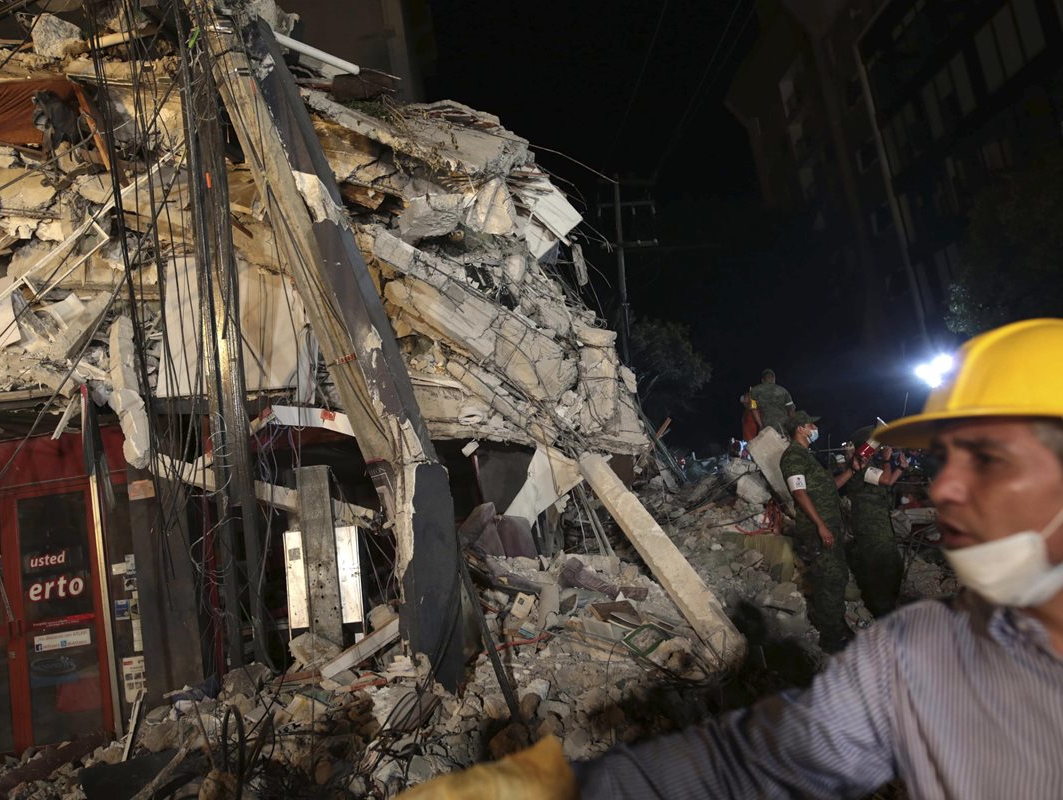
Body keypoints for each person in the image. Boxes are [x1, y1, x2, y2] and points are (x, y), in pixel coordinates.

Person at [398, 318, 1063, 800]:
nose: (945, 488)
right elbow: (745, 764)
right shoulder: (922, 657)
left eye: (988, 459)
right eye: (945, 459)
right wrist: (572, 790)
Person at [780, 410, 858, 651]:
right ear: (800, 429)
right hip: (817, 529)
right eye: (811, 425)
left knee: (838, 575)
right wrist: (821, 526)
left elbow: (831, 487)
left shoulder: (808, 456)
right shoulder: (793, 456)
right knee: (829, 579)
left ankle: (837, 624)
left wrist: (852, 470)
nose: (815, 428)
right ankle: (831, 638)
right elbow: (799, 493)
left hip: (830, 526)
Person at [841, 426, 907, 619]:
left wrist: (901, 468)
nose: (879, 448)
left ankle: (887, 605)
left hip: (879, 523)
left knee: (893, 564)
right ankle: (881, 610)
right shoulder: (860, 465)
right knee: (878, 567)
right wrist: (887, 461)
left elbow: (888, 481)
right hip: (869, 525)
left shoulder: (867, 464)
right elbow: (885, 479)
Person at [748, 368, 795, 435]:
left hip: (767, 426)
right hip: (783, 426)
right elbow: (791, 410)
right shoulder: (783, 391)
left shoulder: (754, 391)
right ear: (774, 378)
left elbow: (754, 409)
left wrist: (761, 425)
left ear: (762, 380)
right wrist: (792, 426)